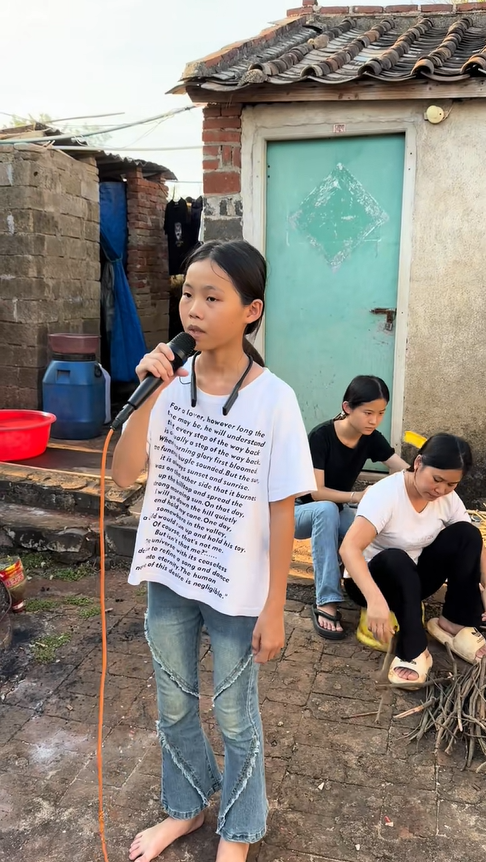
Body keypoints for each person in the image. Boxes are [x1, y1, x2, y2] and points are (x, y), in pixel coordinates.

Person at [111, 239, 315, 862]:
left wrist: (275, 608)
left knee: (234, 715)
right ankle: (187, 807)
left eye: (211, 297)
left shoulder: (276, 400)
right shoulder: (168, 386)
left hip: (237, 591)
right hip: (170, 575)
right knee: (173, 706)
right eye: (187, 295)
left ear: (252, 311)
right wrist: (150, 392)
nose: (193, 310)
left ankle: (240, 829)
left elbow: (282, 510)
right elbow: (123, 474)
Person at [340, 434, 486, 689]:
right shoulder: (386, 494)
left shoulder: (446, 498)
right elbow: (349, 548)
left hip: (413, 579)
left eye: (451, 484)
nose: (440, 490)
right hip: (370, 581)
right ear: (418, 463)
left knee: (468, 534)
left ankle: (454, 623)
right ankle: (414, 649)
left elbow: (473, 547)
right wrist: (375, 600)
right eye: (436, 479)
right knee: (396, 557)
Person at [294, 376, 408, 640]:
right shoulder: (321, 436)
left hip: (337, 510)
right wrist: (357, 496)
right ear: (347, 407)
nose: (374, 420)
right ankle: (326, 600)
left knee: (369, 526)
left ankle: (379, 593)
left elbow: (404, 471)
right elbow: (316, 492)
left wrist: (429, 480)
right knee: (326, 509)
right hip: (298, 511)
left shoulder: (371, 438)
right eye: (368, 413)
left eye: (381, 413)